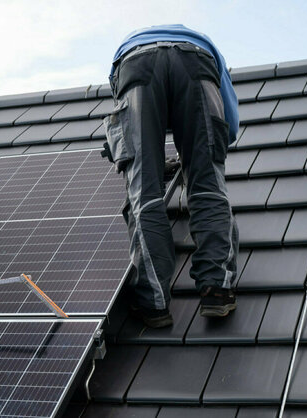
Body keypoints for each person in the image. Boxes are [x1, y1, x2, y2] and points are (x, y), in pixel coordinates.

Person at [103, 25, 240, 329]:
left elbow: (132, 130)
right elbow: (228, 121)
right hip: (196, 62)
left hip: (134, 64)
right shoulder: (208, 48)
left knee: (145, 191)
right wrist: (207, 150)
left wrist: (143, 158)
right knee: (208, 187)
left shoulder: (128, 50)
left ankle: (154, 303)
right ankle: (217, 290)